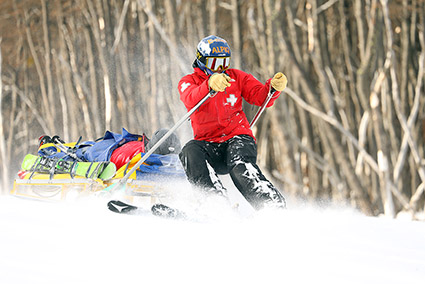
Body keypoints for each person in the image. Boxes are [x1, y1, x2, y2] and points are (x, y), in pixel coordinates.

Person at [178, 35, 287, 210]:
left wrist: (272, 88)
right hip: (209, 145)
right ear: (202, 61)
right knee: (190, 150)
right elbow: (190, 98)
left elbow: (259, 96)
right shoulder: (188, 82)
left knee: (239, 165)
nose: (220, 69)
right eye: (215, 64)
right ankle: (213, 203)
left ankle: (270, 205)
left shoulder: (236, 77)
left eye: (224, 63)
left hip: (237, 138)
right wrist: (209, 85)